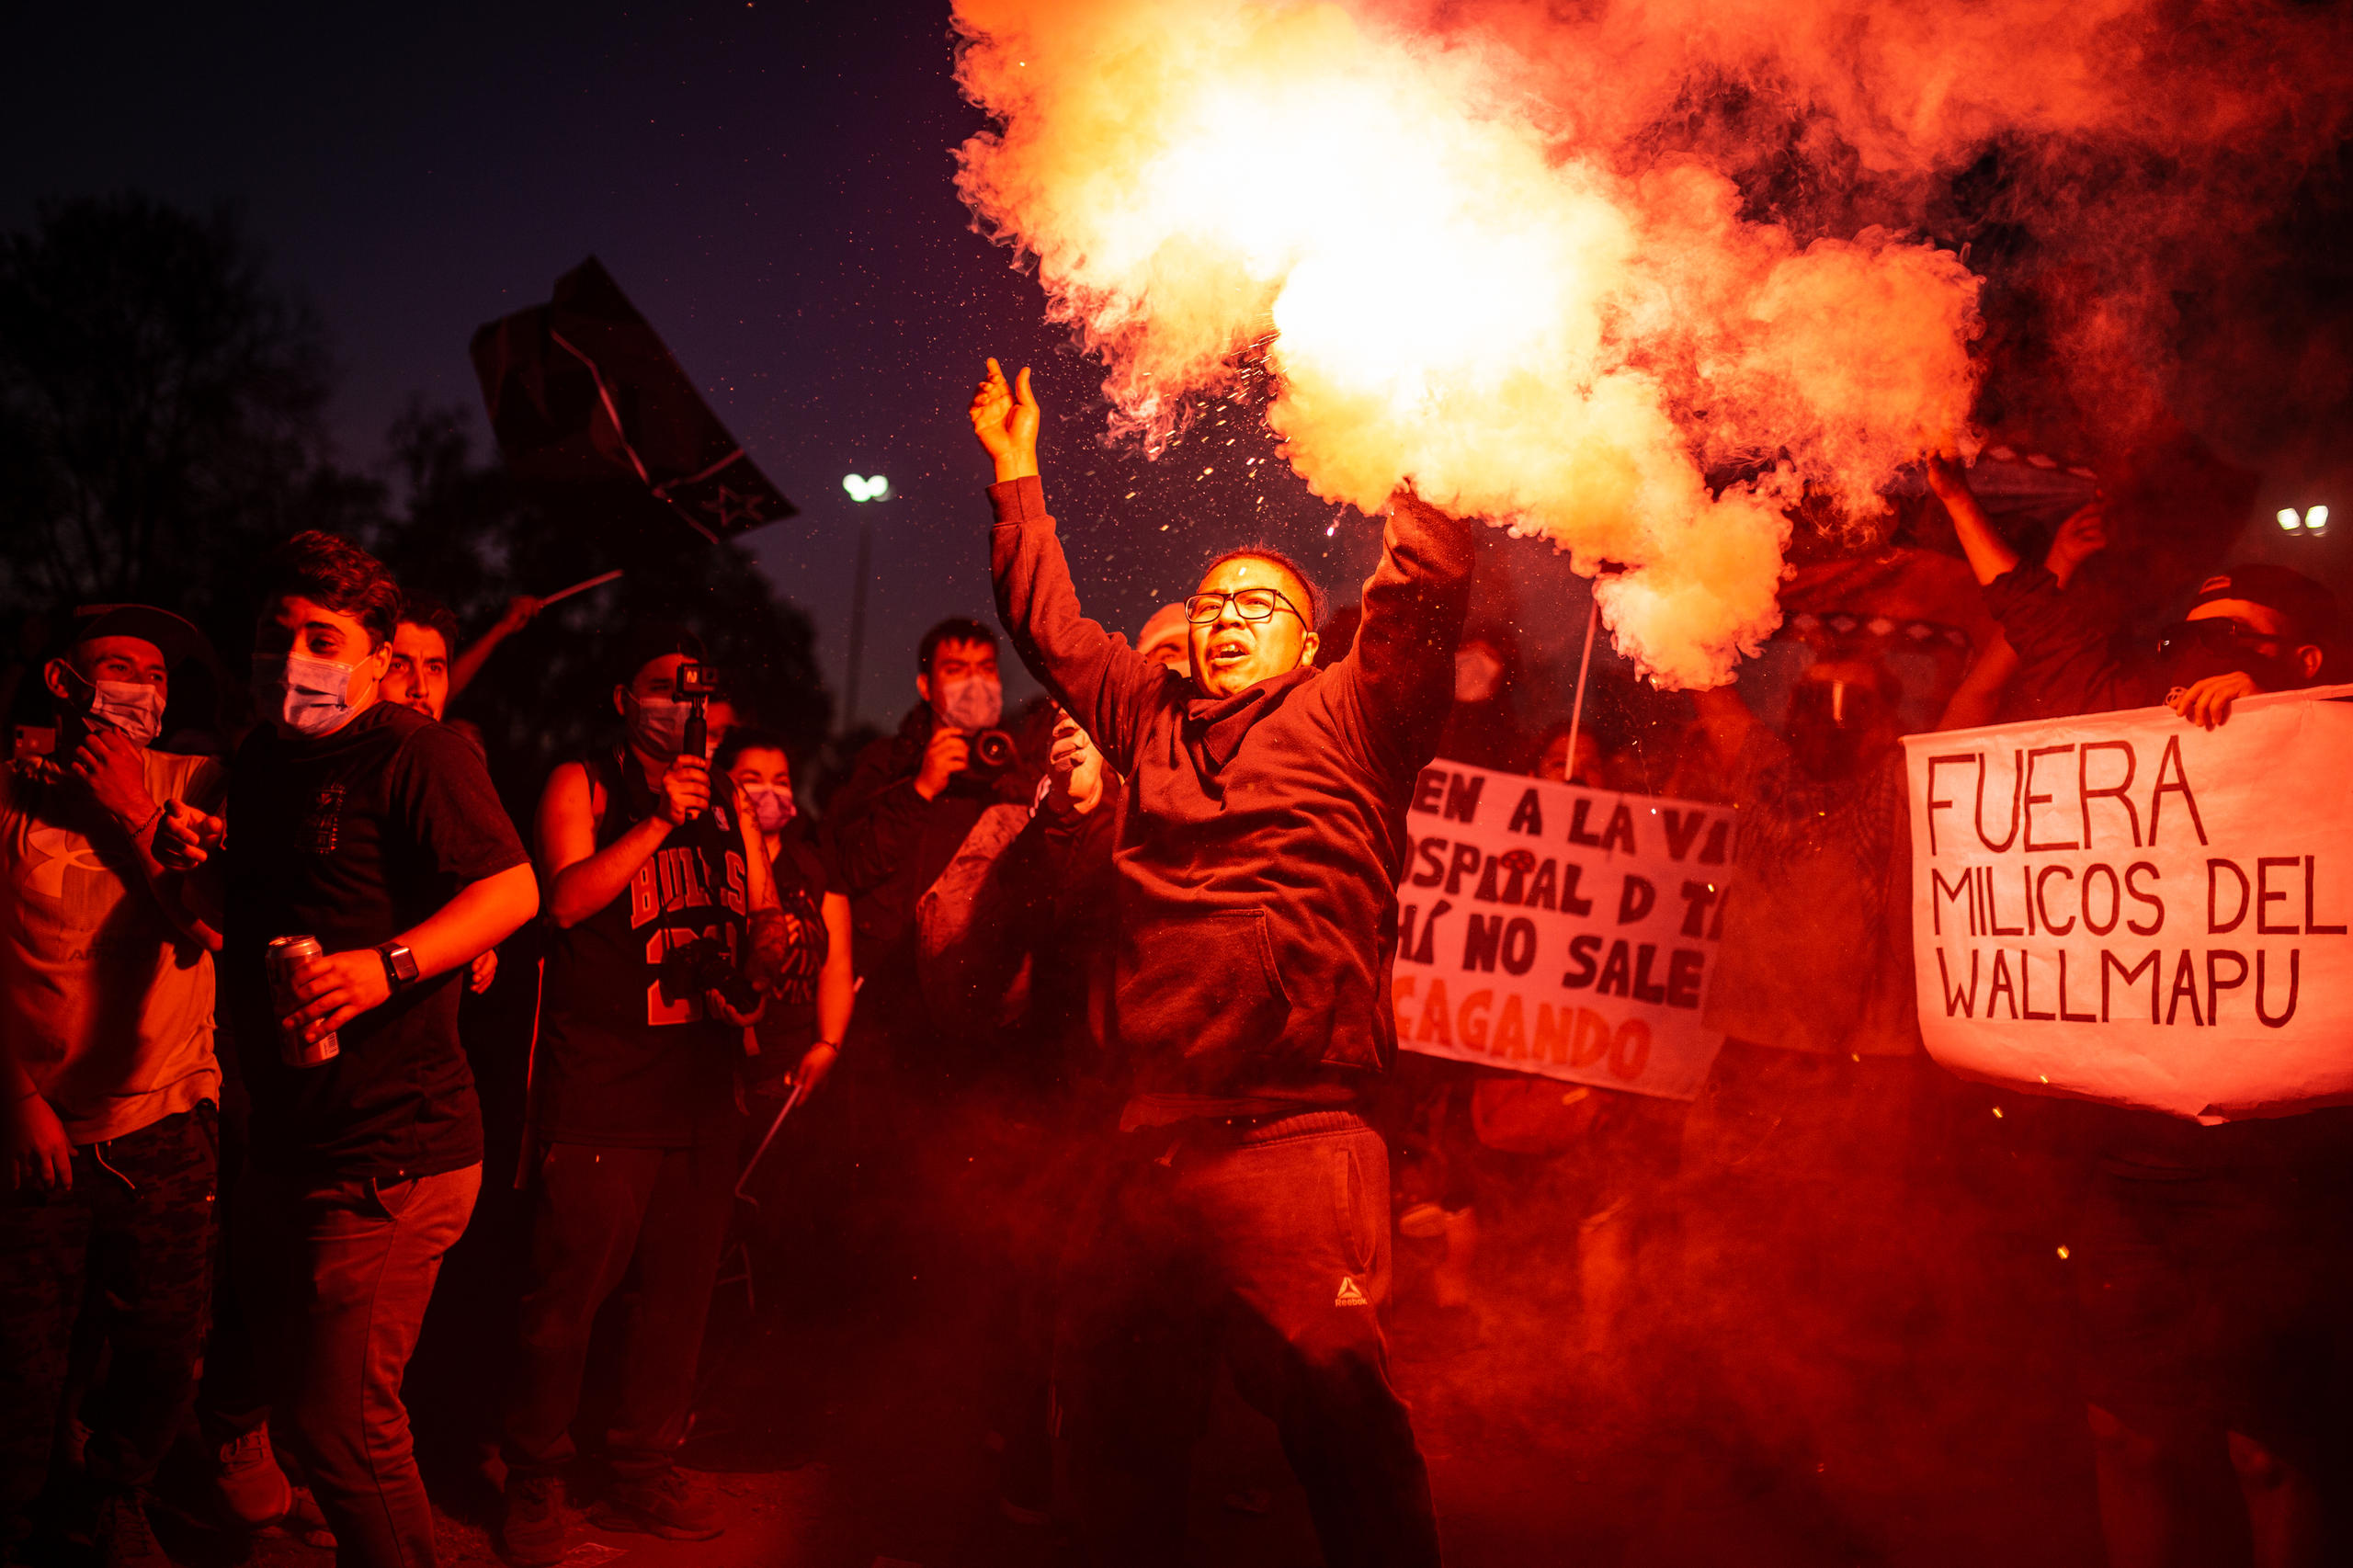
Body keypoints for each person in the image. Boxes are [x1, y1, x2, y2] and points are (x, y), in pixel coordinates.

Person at [972, 357, 1472, 1567]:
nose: (1228, 612)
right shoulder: (1152, 718)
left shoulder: (1356, 713)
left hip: (1299, 1141)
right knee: (1119, 1426)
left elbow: (1419, 591)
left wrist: (1428, 444)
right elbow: (1050, 629)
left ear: (1312, 643)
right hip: (1154, 1146)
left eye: (1259, 602)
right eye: (1211, 600)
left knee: (1343, 1424)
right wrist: (1018, 474)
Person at [1931, 456, 2347, 1568]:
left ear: (2301, 658)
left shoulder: (2335, 756)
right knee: (2124, 1429)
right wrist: (1962, 505)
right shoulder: (2129, 723)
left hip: (2283, 1183)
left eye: (2236, 637)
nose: (2200, 655)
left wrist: (2281, 728)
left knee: (2268, 1449)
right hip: (2126, 1172)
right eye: (2191, 633)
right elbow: (2041, 623)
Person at [157, 531, 540, 1568]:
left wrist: (389, 966)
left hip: (393, 1150)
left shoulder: (416, 751)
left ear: (376, 657)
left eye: (322, 638)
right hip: (287, 1140)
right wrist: (186, 865)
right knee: (304, 1403)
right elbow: (240, 924)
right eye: (276, 636)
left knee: (345, 1430)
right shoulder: (264, 762)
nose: (294, 658)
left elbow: (513, 890)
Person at [496, 630, 802, 1563]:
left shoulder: (731, 810)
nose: (686, 706)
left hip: (701, 1092)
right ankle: (535, 1475)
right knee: (566, 1299)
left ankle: (640, 1466)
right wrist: (659, 821)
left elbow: (752, 921)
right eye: (666, 689)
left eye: (701, 694)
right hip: (602, 1088)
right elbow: (564, 901)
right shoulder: (583, 784)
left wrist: (774, 945)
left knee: (676, 1303)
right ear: (623, 700)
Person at [1, 607, 224, 1567]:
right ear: (64, 681)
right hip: (34, 1130)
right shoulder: (8, 783)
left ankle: (112, 1497)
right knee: (21, 1363)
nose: (144, 686)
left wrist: (129, 806)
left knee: (163, 1349)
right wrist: (14, 1095)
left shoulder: (196, 783)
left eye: (158, 676)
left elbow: (211, 930)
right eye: (119, 668)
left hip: (165, 1118)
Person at [717, 727, 852, 1102]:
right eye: (752, 780)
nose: (770, 792)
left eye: (781, 781)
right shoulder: (705, 862)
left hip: (791, 1073)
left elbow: (838, 968)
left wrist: (828, 1045)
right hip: (716, 1071)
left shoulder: (815, 868)